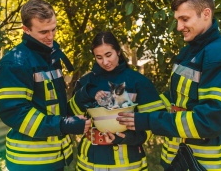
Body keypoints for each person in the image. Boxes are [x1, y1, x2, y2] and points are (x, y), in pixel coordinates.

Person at [117, 0, 221, 171]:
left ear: (206, 13)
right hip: (175, 158)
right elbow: (175, 97)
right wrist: (130, 106)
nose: (179, 27)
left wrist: (147, 121)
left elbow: (209, 120)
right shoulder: (190, 51)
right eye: (177, 20)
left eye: (184, 19)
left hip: (204, 163)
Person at [0, 0, 91, 171]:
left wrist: (83, 97)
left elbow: (55, 109)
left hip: (56, 158)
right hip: (29, 163)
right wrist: (63, 125)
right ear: (26, 30)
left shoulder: (51, 58)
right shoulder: (14, 62)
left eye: (53, 29)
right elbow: (15, 113)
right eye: (44, 32)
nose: (51, 36)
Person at [67, 31, 164, 170]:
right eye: (99, 57)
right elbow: (70, 114)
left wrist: (126, 137)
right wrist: (85, 93)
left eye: (108, 55)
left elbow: (156, 122)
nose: (105, 62)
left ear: (118, 51)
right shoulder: (86, 82)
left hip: (127, 163)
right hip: (89, 163)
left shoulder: (138, 82)